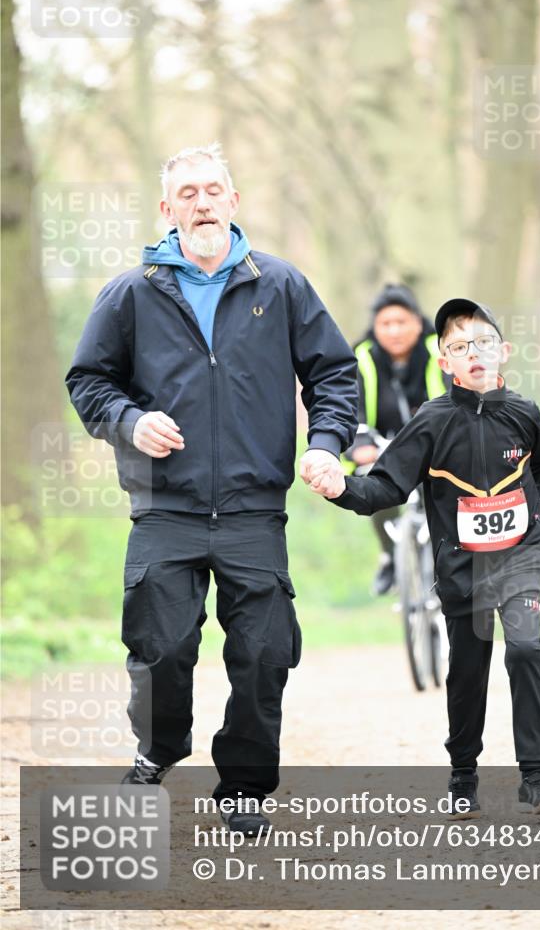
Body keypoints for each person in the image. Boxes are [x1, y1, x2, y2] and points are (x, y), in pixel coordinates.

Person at [65, 143, 358, 835]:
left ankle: (245, 788)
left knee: (264, 653)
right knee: (161, 647)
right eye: (187, 193)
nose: (202, 202)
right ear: (166, 210)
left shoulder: (280, 285)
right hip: (164, 504)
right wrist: (129, 421)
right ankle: (159, 748)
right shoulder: (132, 291)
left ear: (233, 200)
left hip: (255, 506)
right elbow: (88, 382)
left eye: (213, 189)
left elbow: (335, 375)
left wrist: (324, 444)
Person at [307, 298, 540, 817]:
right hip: (462, 568)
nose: (473, 354)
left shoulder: (524, 412)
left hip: (521, 557)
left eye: (483, 343)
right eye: (458, 347)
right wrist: (341, 487)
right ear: (444, 360)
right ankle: (463, 776)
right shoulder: (432, 421)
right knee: (468, 670)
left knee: (525, 650)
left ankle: (536, 777)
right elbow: (384, 486)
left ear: (504, 352)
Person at [345, 284, 447, 594]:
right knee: (373, 488)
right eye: (385, 324)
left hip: (434, 447)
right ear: (374, 328)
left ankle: (451, 557)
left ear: (418, 322)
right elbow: (351, 409)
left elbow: (458, 397)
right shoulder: (361, 356)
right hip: (381, 448)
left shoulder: (440, 350)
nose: (394, 331)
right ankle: (391, 553)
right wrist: (359, 446)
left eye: (401, 322)